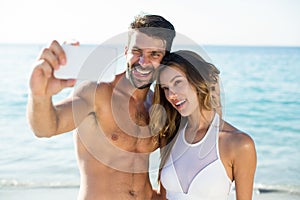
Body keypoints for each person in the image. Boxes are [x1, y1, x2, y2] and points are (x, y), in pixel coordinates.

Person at [27, 14, 175, 200]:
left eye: (154, 54)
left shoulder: (159, 106)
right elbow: (47, 127)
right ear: (126, 51)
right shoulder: (96, 93)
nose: (143, 62)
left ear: (164, 59)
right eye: (137, 51)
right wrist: (40, 96)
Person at [150, 50, 257, 200]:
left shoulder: (239, 144)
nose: (171, 95)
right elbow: (163, 197)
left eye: (178, 83)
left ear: (198, 80)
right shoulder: (170, 135)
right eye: (166, 88)